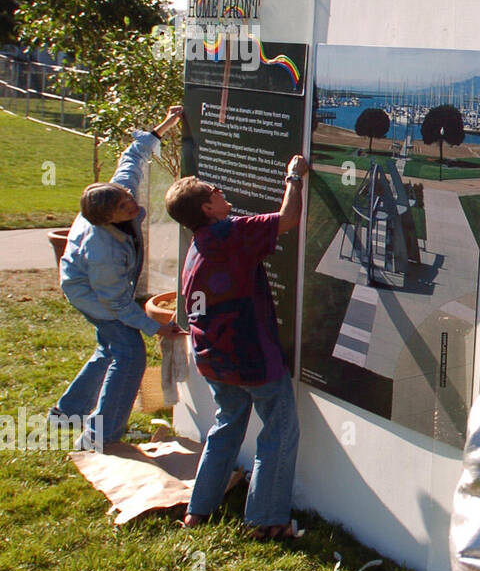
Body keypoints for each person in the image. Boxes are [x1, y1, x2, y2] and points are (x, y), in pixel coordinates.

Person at [165, 154, 308, 539]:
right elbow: (288, 219)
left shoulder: (197, 245)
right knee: (278, 428)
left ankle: (199, 509)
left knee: (227, 423)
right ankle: (267, 520)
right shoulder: (230, 234)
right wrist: (293, 176)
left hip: (213, 357)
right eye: (214, 191)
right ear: (208, 208)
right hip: (250, 358)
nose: (221, 191)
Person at [55, 106, 186, 449]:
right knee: (129, 354)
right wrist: (155, 326)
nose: (132, 203)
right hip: (91, 295)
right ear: (106, 219)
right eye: (124, 207)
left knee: (109, 348)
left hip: (100, 289)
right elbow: (114, 303)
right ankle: (100, 436)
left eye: (128, 198)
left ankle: (69, 411)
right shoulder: (103, 251)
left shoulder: (116, 193)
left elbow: (134, 156)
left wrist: (165, 125)